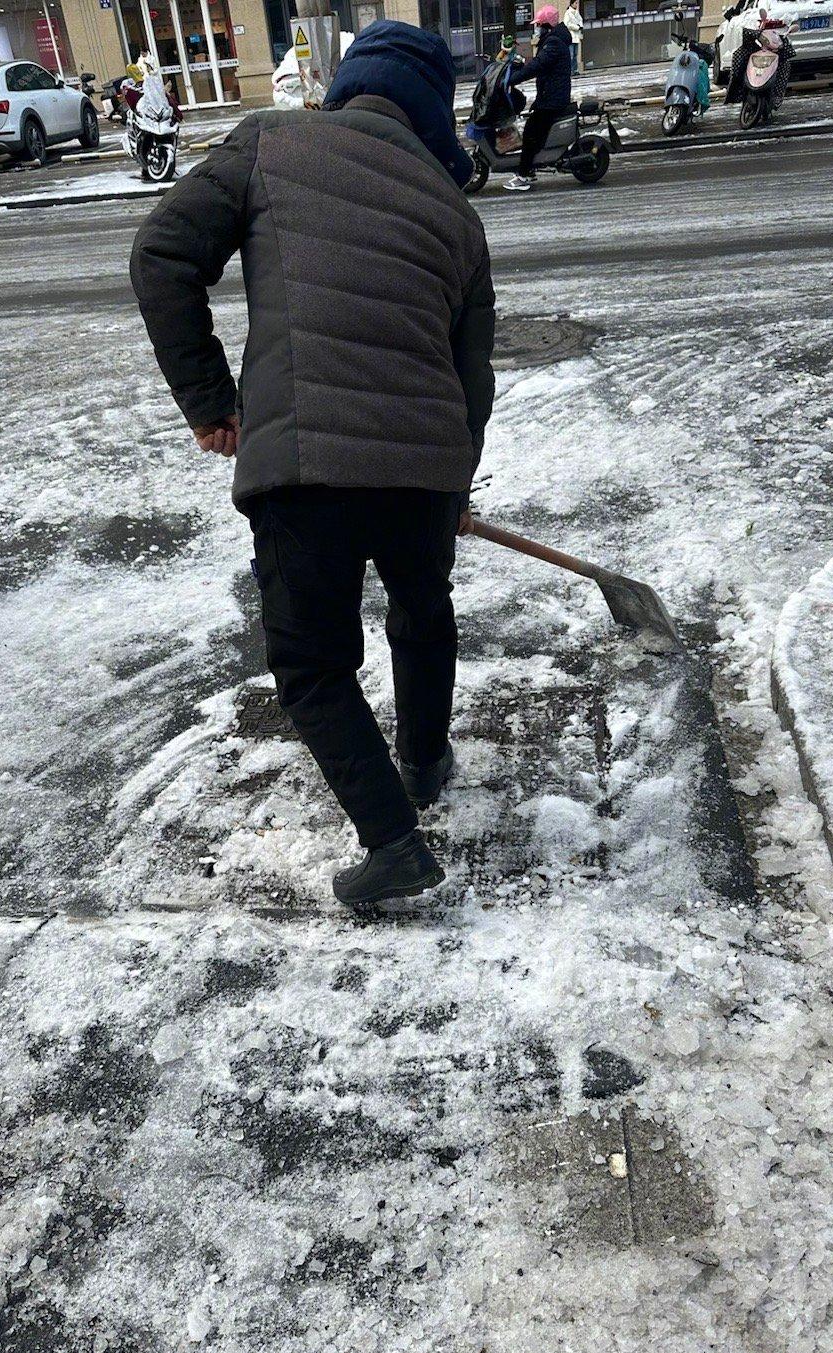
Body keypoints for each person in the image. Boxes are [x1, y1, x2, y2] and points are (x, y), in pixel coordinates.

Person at [130, 21, 495, 907]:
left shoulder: (273, 141)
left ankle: (394, 844)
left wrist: (210, 402)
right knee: (422, 612)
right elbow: (472, 375)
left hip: (308, 465)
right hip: (425, 466)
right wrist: (453, 486)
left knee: (314, 664)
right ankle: (425, 761)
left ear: (346, 86)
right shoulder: (457, 212)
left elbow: (162, 254)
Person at [503, 6, 573, 192]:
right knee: (535, 132)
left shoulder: (553, 44)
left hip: (552, 100)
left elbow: (537, 66)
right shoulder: (553, 41)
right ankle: (531, 168)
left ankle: (523, 175)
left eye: (539, 25)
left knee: (530, 133)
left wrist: (512, 79)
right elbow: (536, 64)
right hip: (550, 96)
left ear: (547, 26)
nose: (536, 29)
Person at [563, 0, 584, 75]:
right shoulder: (568, 13)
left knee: (575, 55)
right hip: (571, 36)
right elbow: (567, 24)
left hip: (576, 36)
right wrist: (576, 27)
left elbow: (580, 20)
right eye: (575, 3)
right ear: (572, 4)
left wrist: (580, 26)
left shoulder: (577, 12)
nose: (576, 5)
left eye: (577, 3)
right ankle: (570, 70)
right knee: (571, 55)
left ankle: (575, 70)